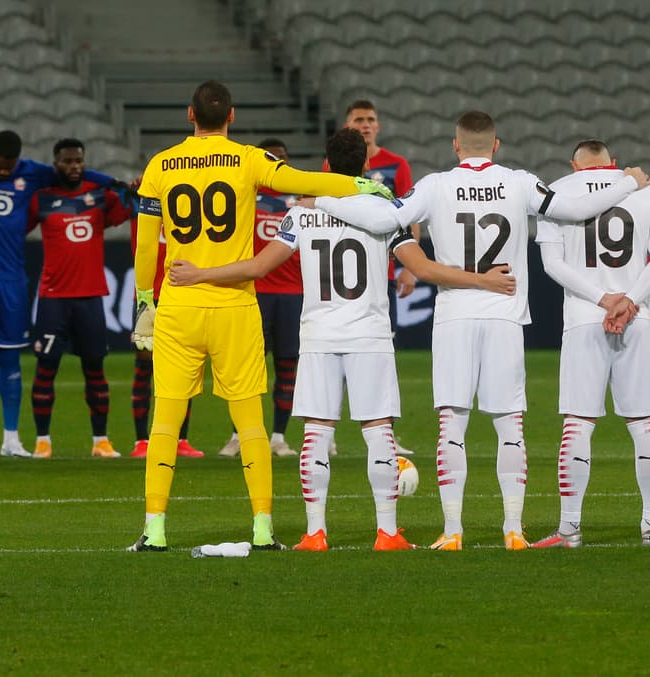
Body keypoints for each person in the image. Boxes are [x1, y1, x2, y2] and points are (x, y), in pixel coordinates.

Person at [310, 110, 650, 551]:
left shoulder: (434, 186)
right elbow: (578, 208)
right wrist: (628, 181)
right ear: (496, 145)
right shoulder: (519, 182)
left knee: (452, 423)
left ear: (456, 146)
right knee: (509, 424)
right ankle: (513, 529)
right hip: (505, 312)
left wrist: (318, 199)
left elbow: (381, 222)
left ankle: (452, 531)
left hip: (454, 314)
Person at [171, 128, 516, 551]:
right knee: (377, 430)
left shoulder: (302, 212)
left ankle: (315, 532)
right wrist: (482, 279)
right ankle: (387, 532)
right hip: (369, 335)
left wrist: (199, 274)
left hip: (317, 334)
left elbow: (259, 268)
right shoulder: (384, 211)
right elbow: (423, 269)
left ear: (326, 166)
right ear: (366, 165)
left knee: (316, 430)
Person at [126, 80, 393, 553]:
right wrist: (359, 184)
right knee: (250, 421)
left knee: (165, 420)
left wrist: (146, 297)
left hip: (181, 303)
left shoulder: (160, 164)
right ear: (232, 117)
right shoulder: (248, 158)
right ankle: (263, 528)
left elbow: (148, 242)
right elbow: (305, 181)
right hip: (233, 304)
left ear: (190, 115)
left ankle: (155, 529)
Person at [0, 130, 117, 459]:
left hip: (11, 280)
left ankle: (12, 439)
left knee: (10, 358)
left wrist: (112, 180)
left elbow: (74, 171)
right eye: (0, 164)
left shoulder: (31, 172)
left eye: (10, 166)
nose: (5, 171)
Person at [530, 139, 650, 548]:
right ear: (613, 163)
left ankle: (569, 530)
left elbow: (551, 264)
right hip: (636, 317)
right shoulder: (646, 191)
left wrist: (601, 300)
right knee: (644, 421)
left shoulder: (557, 191)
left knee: (578, 421)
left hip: (582, 319)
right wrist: (628, 300)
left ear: (573, 166)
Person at [28, 139, 131, 459]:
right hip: (53, 299)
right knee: (46, 369)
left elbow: (131, 207)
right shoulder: (41, 198)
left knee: (95, 369)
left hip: (90, 298)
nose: (74, 166)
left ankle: (101, 440)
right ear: (55, 163)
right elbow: (13, 227)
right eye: (67, 161)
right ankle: (43, 440)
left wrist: (135, 190)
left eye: (78, 161)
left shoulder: (100, 196)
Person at [327, 99, 418, 456]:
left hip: (381, 277)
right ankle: (327, 432)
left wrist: (408, 265)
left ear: (378, 126)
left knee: (382, 356)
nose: (365, 125)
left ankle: (386, 434)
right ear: (348, 126)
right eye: (358, 120)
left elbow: (411, 214)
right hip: (340, 280)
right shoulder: (334, 165)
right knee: (334, 358)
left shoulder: (397, 166)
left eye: (370, 120)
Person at [217, 137, 307, 460]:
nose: (277, 163)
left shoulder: (303, 199)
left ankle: (278, 437)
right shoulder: (244, 195)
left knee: (287, 367)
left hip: (292, 295)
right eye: (272, 158)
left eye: (282, 158)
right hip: (251, 292)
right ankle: (238, 435)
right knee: (246, 369)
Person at [127, 224, 200, 460]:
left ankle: (181, 440)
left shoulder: (184, 207)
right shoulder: (142, 205)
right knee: (144, 367)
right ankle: (141, 440)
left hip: (181, 296)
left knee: (184, 368)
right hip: (148, 298)